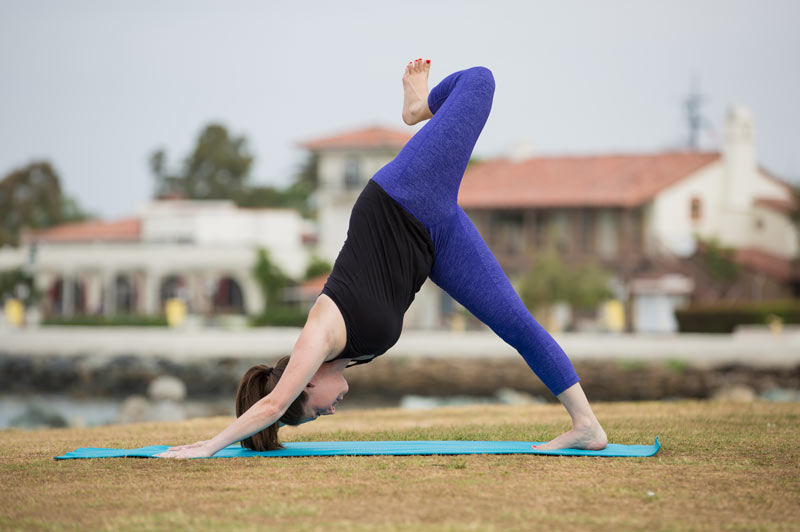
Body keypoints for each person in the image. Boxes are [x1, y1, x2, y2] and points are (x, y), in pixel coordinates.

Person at [156, 59, 607, 459]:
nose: (331, 410)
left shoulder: (320, 335)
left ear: (306, 383)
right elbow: (279, 410)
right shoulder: (347, 355)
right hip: (434, 243)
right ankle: (586, 426)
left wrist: (210, 446)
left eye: (317, 411)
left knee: (479, 81)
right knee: (516, 323)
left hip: (403, 198)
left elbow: (273, 406)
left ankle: (418, 107)